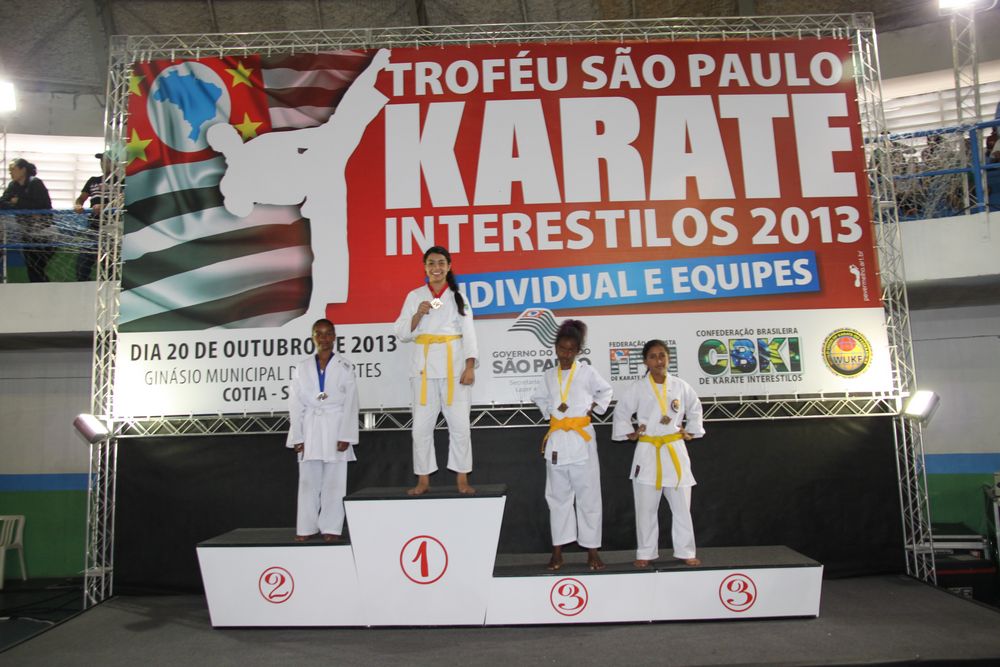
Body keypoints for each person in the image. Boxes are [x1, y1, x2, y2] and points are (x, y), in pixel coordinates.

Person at [612, 339, 705, 568]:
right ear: (645, 361)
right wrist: (630, 433)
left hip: (674, 448)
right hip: (648, 449)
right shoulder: (638, 387)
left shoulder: (681, 386)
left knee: (682, 507)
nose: (658, 360)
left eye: (662, 355)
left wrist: (691, 431)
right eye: (652, 356)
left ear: (668, 358)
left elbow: (695, 408)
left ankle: (686, 550)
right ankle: (645, 552)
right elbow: (621, 412)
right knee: (646, 508)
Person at [393, 246, 477, 496]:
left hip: (454, 367)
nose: (436, 268)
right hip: (423, 369)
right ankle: (423, 479)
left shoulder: (458, 296)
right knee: (420, 428)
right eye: (431, 263)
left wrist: (470, 366)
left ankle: (462, 477)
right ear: (425, 267)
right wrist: (418, 314)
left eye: (441, 263)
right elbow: (402, 333)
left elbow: (469, 332)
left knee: (460, 425)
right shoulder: (414, 296)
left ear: (449, 266)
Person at [531, 319, 612, 571]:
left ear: (578, 351)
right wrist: (549, 412)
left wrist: (593, 407)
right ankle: (557, 550)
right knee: (557, 497)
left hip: (581, 438)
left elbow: (606, 391)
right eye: (561, 349)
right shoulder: (548, 376)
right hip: (557, 439)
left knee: (589, 497)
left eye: (570, 350)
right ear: (555, 348)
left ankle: (592, 550)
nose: (565, 354)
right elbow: (539, 397)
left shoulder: (587, 372)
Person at [286, 319, 359, 542]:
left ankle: (331, 528)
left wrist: (346, 435)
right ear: (313, 337)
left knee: (335, 482)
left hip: (335, 423)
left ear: (334, 336)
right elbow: (295, 403)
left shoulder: (345, 366)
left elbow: (351, 403)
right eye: (319, 333)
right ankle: (306, 527)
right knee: (308, 481)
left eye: (328, 333)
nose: (324, 338)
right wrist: (297, 436)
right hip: (310, 425)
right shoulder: (302, 367)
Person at [1, 158, 53, 282]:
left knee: (37, 267)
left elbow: (39, 205)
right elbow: (3, 202)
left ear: (23, 170)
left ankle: (45, 288)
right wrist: (16, 204)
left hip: (44, 233)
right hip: (27, 232)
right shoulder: (13, 185)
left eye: (13, 169)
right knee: (31, 268)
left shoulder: (35, 183)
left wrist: (18, 201)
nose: (10, 172)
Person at [73, 152, 110, 281]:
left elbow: (123, 201)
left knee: (109, 265)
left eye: (107, 161)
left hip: (113, 228)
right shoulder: (93, 180)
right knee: (82, 265)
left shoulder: (122, 181)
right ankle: (85, 287)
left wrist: (105, 206)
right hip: (93, 227)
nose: (103, 164)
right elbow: (81, 198)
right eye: (101, 161)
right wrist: (78, 205)